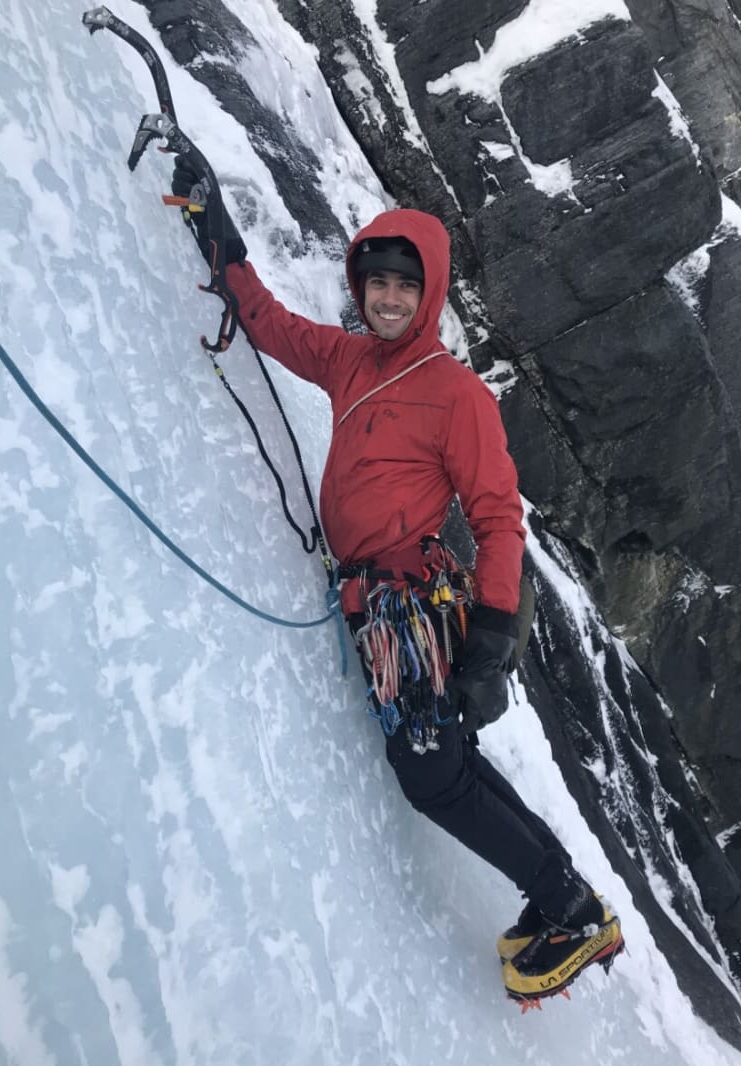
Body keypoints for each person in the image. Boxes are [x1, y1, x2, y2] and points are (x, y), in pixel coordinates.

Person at [171, 160, 622, 1003]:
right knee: (446, 761)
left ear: (430, 295)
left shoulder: (457, 395)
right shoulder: (350, 360)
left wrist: (492, 638)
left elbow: (498, 518)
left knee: (430, 775)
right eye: (376, 283)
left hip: (408, 606)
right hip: (379, 602)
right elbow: (270, 324)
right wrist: (218, 235)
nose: (386, 299)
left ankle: (570, 907)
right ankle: (564, 895)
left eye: (404, 288)